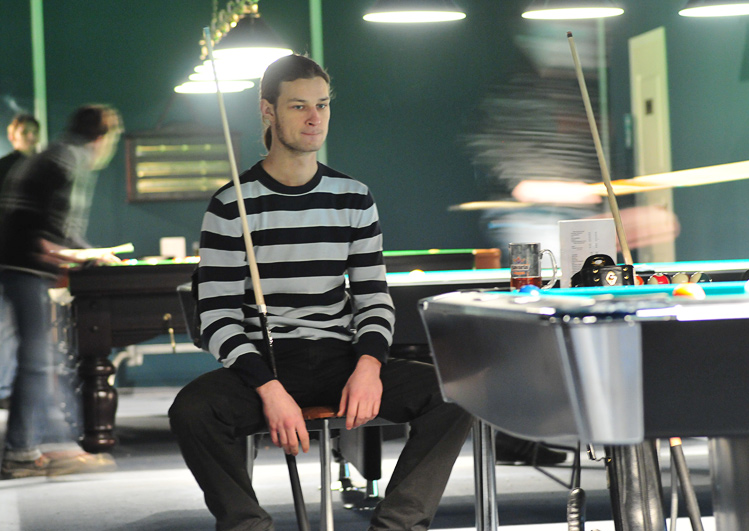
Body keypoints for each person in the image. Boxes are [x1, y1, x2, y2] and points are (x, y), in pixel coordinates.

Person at [169, 54, 473, 531]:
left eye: (323, 105)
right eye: (298, 106)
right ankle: (248, 526)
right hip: (265, 363)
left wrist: (369, 366)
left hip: (340, 358)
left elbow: (373, 298)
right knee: (191, 411)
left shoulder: (353, 197)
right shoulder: (231, 205)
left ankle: (396, 525)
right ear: (267, 111)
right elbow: (217, 316)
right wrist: (269, 389)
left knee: (455, 394)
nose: (315, 118)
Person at [0, 104, 123, 479]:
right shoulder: (65, 161)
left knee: (42, 357)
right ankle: (25, 452)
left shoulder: (60, 156)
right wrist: (70, 252)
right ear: (101, 137)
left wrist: (87, 252)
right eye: (113, 137)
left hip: (22, 266)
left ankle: (44, 446)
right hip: (21, 267)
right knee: (38, 360)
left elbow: (55, 228)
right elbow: (30, 226)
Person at [0, 114, 41, 408]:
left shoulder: (41, 168)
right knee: (6, 325)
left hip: (30, 261)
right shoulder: (5, 168)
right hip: (8, 259)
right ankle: (5, 389)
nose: (29, 136)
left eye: (33, 131)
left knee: (21, 329)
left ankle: (11, 389)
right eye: (24, 131)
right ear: (12, 135)